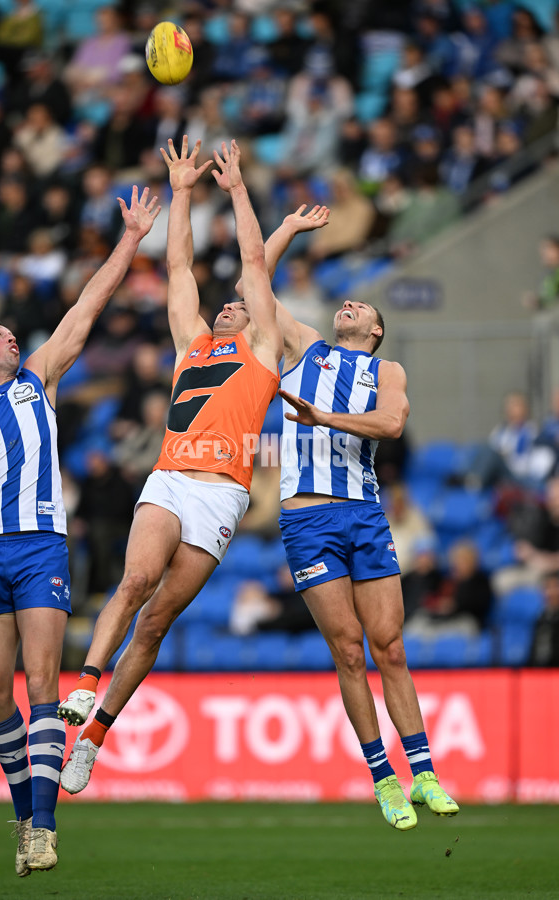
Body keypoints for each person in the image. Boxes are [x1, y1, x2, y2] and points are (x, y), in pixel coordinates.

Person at [57, 138, 283, 793]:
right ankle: (86, 684)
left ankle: (92, 741)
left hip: (220, 497)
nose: (228, 307)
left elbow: (252, 259)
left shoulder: (262, 352)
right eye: (226, 305)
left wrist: (237, 190)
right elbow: (179, 265)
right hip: (171, 477)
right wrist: (181, 192)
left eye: (238, 306)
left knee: (156, 620)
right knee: (135, 581)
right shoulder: (194, 345)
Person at [0, 184, 161, 876]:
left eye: (10, 331)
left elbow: (88, 307)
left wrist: (131, 239)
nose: (8, 334)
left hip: (41, 545)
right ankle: (25, 814)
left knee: (42, 681)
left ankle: (42, 828)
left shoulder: (37, 379)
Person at [253, 205, 459, 829]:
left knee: (389, 646)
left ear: (374, 330)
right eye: (345, 304)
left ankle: (423, 771)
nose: (349, 307)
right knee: (348, 651)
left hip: (364, 514)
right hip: (308, 520)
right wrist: (286, 229)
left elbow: (392, 425)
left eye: (361, 309)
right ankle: (383, 778)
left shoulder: (386, 371)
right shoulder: (306, 348)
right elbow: (248, 283)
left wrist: (324, 421)